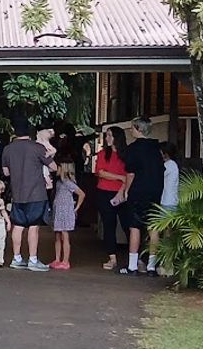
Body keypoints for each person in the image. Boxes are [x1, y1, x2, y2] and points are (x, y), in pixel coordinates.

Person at [0, 116, 52, 271]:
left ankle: (16, 258)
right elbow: (53, 167)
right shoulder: (37, 148)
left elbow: (6, 172)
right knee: (34, 226)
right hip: (36, 194)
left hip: (17, 193)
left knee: (18, 226)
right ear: (30, 132)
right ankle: (33, 260)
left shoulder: (7, 149)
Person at [111, 118, 164, 275]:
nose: (131, 130)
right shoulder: (156, 148)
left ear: (138, 129)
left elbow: (131, 173)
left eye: (133, 128)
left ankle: (133, 266)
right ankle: (151, 266)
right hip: (155, 191)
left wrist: (126, 191)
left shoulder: (133, 149)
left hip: (138, 191)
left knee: (135, 227)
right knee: (153, 228)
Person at [92, 126, 128, 270]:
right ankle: (112, 257)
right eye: (106, 135)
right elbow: (100, 172)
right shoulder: (102, 154)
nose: (107, 139)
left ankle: (136, 256)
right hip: (104, 192)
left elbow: (130, 174)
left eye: (110, 136)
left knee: (128, 224)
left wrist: (122, 185)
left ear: (117, 138)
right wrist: (121, 178)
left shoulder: (126, 154)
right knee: (109, 225)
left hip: (123, 192)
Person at [148, 142, 180, 275]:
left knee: (155, 230)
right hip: (171, 202)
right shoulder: (173, 165)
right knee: (167, 233)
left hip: (166, 203)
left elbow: (155, 175)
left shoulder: (168, 165)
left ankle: (155, 263)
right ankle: (166, 264)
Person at [49, 163, 86, 270]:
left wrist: (76, 208)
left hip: (65, 212)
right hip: (58, 211)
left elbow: (82, 194)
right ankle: (57, 259)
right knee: (57, 235)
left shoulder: (68, 183)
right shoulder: (59, 182)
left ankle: (65, 261)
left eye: (59, 167)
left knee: (65, 236)